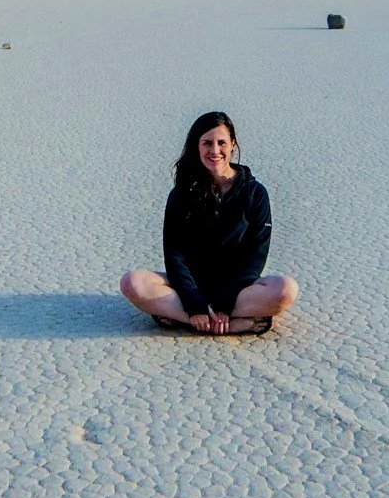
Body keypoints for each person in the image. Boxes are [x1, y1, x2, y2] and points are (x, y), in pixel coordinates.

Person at [120, 111, 298, 335]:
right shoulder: (183, 193)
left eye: (221, 142)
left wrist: (225, 302)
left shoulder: (255, 193)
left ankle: (184, 318)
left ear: (233, 145)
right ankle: (223, 323)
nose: (215, 151)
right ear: (197, 147)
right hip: (190, 288)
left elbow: (256, 256)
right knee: (132, 282)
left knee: (285, 289)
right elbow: (174, 254)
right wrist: (193, 303)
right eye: (207, 143)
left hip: (237, 290)